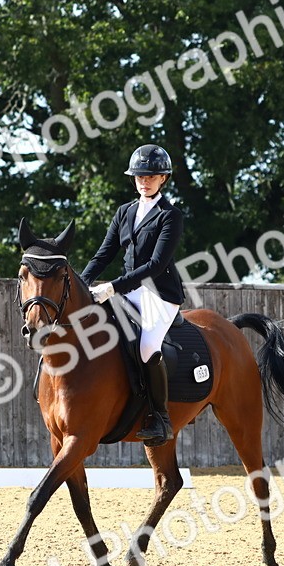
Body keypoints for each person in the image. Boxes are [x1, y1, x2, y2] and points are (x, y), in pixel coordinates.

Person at [81, 144, 186, 447]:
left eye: (151, 176)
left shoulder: (170, 215)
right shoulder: (124, 212)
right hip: (130, 292)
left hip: (160, 294)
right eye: (140, 176)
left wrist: (112, 287)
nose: (144, 181)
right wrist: (82, 282)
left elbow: (155, 265)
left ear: (163, 178)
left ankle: (160, 417)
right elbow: (104, 255)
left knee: (147, 346)